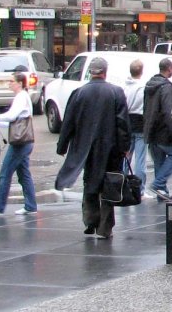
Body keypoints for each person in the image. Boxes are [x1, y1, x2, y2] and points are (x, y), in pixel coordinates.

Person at [55, 57, 130, 239]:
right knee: (109, 184)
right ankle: (105, 227)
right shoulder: (116, 92)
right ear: (105, 71)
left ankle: (90, 219)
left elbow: (68, 122)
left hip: (85, 147)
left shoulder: (79, 93)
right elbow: (123, 124)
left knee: (90, 181)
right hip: (110, 147)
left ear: (90, 72)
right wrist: (125, 146)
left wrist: (62, 146)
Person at [0, 72, 36, 215]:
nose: (9, 83)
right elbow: (15, 121)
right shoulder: (23, 97)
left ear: (20, 83)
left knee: (5, 174)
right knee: (24, 174)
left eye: (12, 81)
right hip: (25, 141)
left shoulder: (21, 97)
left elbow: (12, 116)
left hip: (20, 143)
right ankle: (31, 206)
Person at [143, 57, 172, 201]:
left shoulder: (150, 84)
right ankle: (158, 184)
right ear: (169, 68)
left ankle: (162, 193)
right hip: (163, 131)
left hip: (151, 130)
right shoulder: (166, 86)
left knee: (159, 161)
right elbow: (167, 111)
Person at [123, 59, 147, 194]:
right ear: (141, 71)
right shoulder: (143, 87)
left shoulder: (124, 87)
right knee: (140, 159)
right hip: (140, 122)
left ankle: (123, 185)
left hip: (127, 122)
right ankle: (140, 189)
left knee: (126, 157)